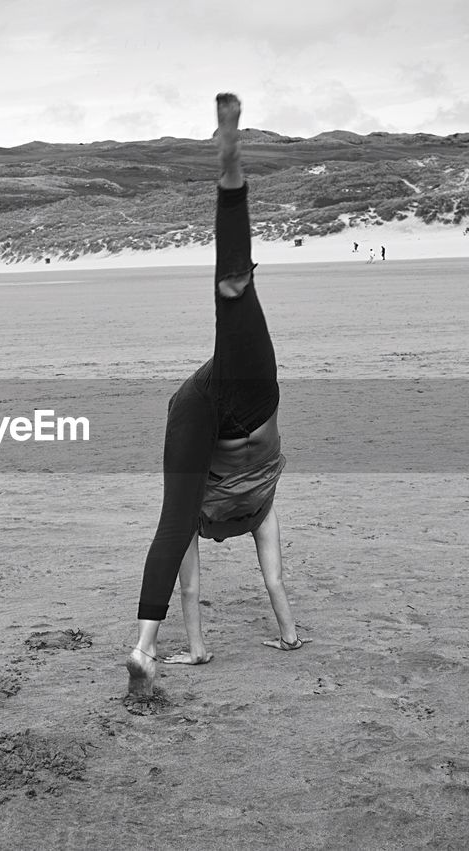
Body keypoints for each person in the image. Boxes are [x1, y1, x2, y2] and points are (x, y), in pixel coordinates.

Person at [126, 93, 310, 699]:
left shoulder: (241, 506)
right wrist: (289, 637)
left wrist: (199, 646)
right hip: (235, 405)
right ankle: (231, 183)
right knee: (233, 297)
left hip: (211, 404)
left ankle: (146, 647)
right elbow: (275, 581)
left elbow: (190, 577)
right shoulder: (257, 507)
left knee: (171, 524)